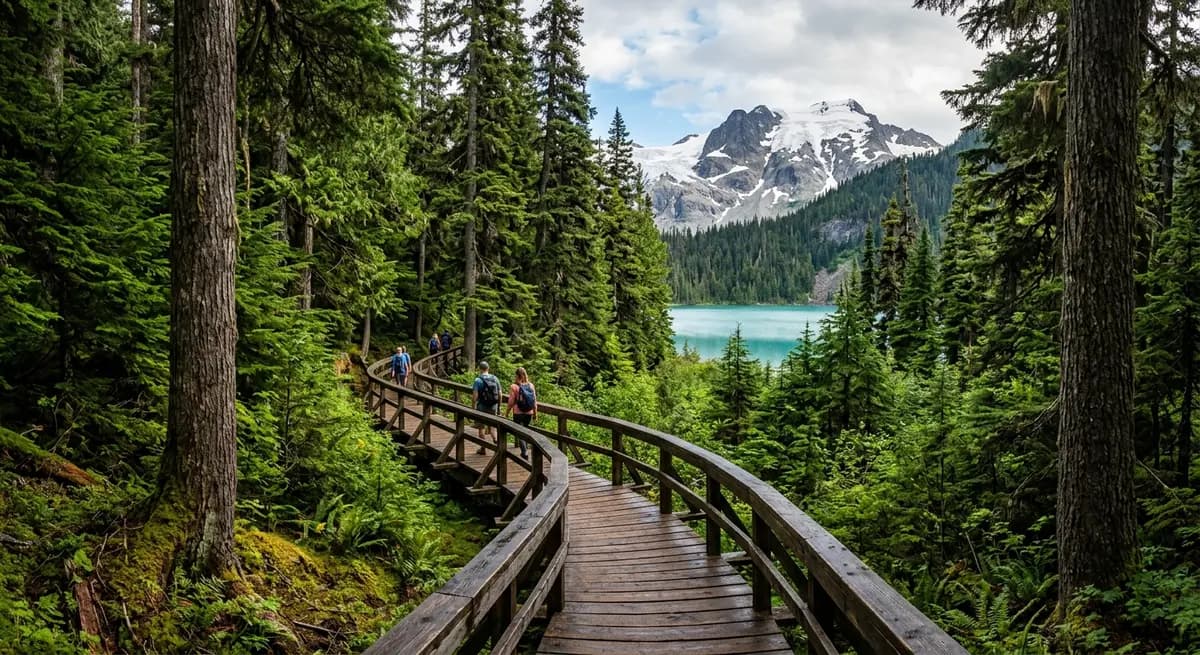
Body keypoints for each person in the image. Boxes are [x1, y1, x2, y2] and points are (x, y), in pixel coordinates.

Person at [505, 367, 537, 458]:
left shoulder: (514, 386)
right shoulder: (531, 385)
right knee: (525, 431)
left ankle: (524, 452)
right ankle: (525, 450)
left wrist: (507, 412)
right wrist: (535, 413)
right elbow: (534, 401)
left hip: (518, 413)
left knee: (519, 433)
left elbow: (511, 402)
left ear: (516, 375)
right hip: (529, 413)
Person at [472, 361, 501, 454]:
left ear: (480, 369)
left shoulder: (478, 380)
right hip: (493, 406)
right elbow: (500, 394)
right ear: (488, 368)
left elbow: (475, 396)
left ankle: (483, 448)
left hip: (482, 406)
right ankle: (496, 442)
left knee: (481, 427)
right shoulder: (495, 378)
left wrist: (473, 407)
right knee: (492, 427)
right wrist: (499, 406)